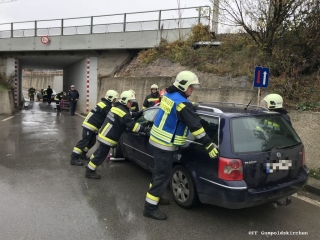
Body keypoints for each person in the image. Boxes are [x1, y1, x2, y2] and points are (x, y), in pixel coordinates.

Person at [143, 71, 219, 220]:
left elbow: (177, 110)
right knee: (162, 176)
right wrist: (209, 145)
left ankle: (155, 198)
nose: (193, 89)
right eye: (191, 86)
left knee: (158, 173)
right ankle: (150, 208)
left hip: (157, 140)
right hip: (165, 144)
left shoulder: (169, 96)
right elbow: (196, 128)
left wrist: (190, 107)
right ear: (183, 85)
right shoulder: (182, 104)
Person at [85, 90, 148, 179]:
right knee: (101, 155)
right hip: (108, 137)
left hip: (104, 134)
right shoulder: (123, 112)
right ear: (126, 101)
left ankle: (89, 164)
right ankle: (90, 171)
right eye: (131, 102)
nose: (132, 104)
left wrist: (139, 112)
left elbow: (129, 114)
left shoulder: (117, 107)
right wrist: (146, 130)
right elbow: (133, 126)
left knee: (98, 152)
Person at [70, 90, 119, 166]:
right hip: (89, 125)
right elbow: (111, 116)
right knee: (84, 141)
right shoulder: (105, 106)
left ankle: (83, 154)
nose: (115, 101)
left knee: (92, 142)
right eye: (114, 99)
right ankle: (74, 158)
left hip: (93, 127)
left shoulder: (105, 104)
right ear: (110, 98)